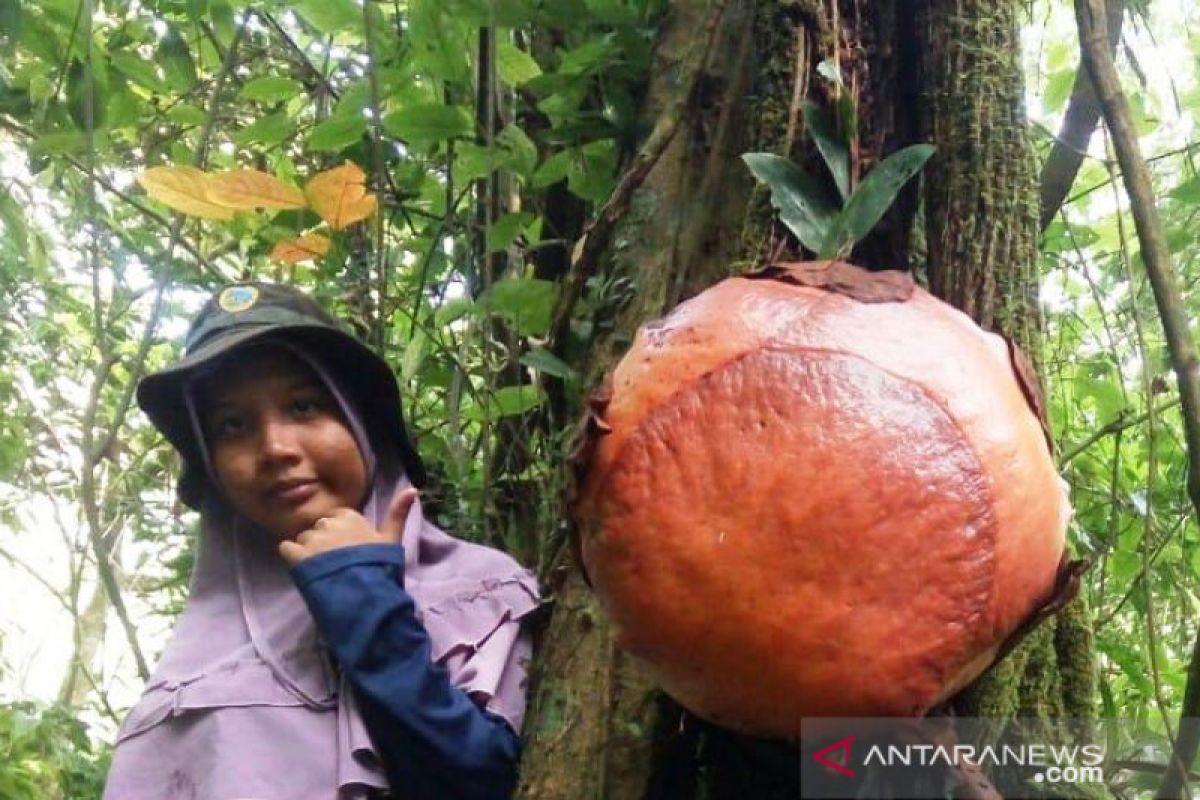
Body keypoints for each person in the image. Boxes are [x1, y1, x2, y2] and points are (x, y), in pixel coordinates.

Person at [102, 283, 540, 800]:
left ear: (359, 423)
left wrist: (364, 601)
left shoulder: (484, 594)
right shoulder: (194, 668)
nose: (274, 448)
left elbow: (484, 784)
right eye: (232, 425)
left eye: (304, 406)